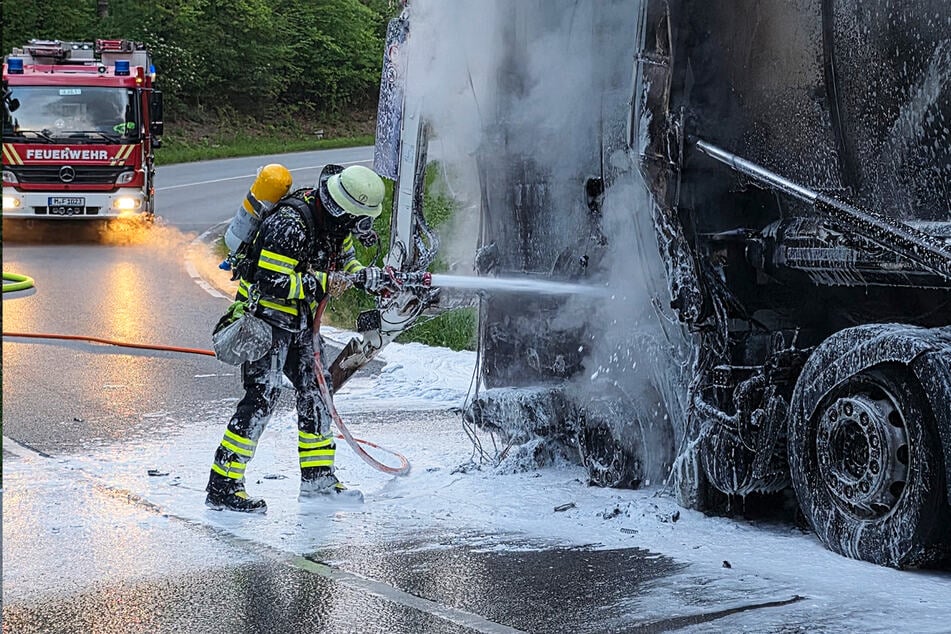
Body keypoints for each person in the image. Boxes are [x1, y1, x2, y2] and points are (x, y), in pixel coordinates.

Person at [206, 164, 392, 513]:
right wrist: (324, 282)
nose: (360, 226)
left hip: (301, 322)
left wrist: (364, 276)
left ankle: (319, 482)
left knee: (319, 393)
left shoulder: (337, 225)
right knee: (261, 399)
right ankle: (223, 485)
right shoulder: (290, 224)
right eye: (358, 219)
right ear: (343, 208)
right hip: (266, 320)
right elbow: (271, 282)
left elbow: (344, 261)